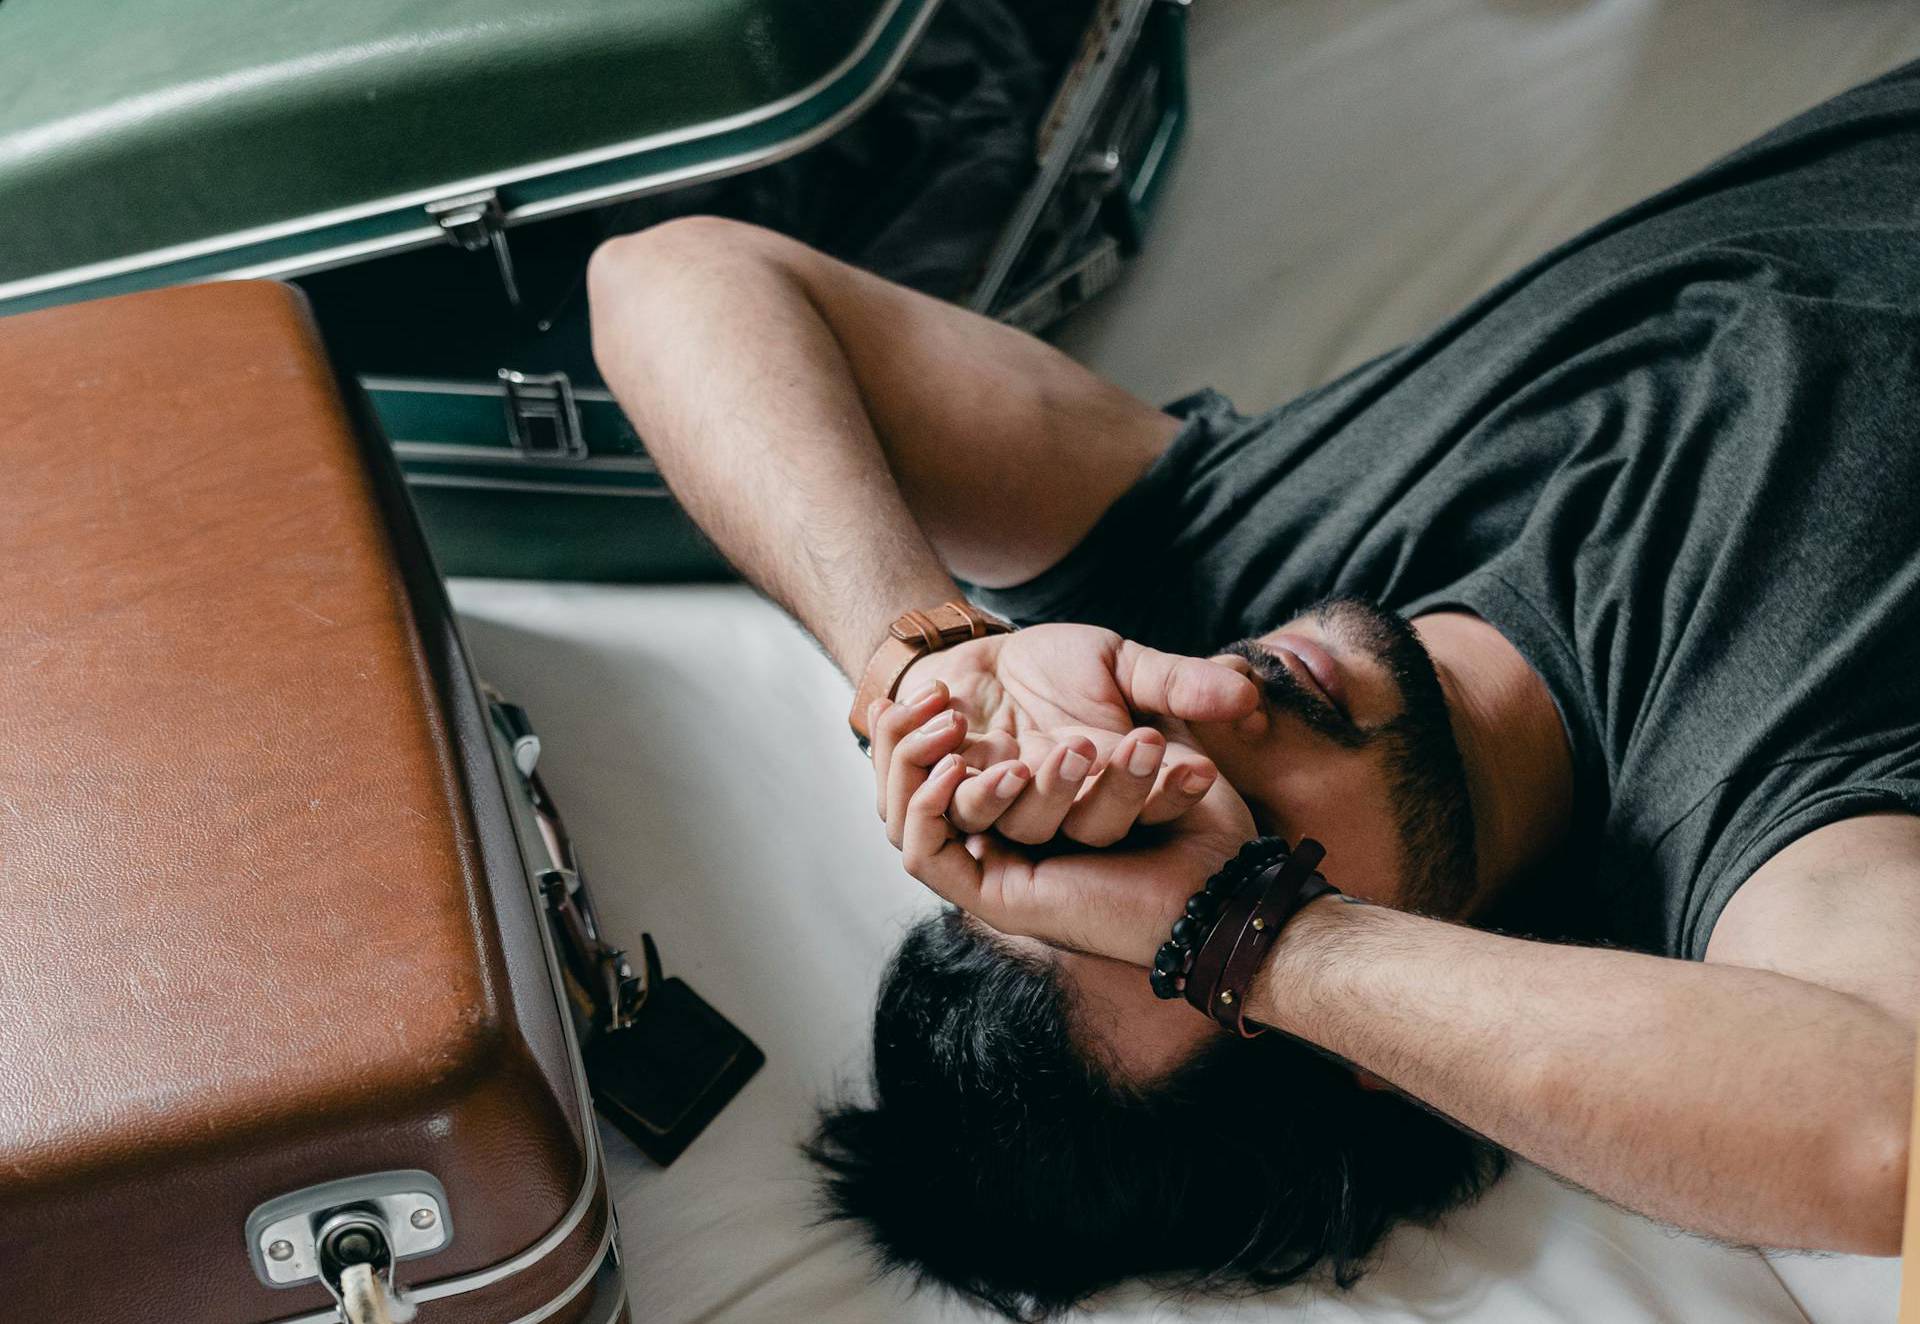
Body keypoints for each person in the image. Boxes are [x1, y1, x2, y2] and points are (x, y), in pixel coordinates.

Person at [586, 59, 1920, 1320]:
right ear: (1374, 1046)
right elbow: (1892, 1127)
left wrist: (920, 662)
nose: (1193, 728)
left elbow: (669, 275)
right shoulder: (1753, 804)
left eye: (1097, 806)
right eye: (1198, 846)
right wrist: (1258, 936)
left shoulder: (1230, 553)